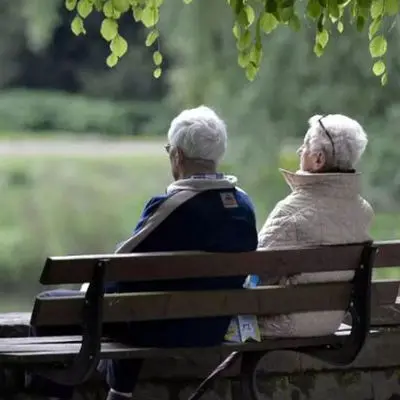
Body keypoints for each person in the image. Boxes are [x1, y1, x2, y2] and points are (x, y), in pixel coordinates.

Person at [32, 105, 258, 400]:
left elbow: (119, 266)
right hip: (212, 327)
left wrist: (89, 291)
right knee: (138, 300)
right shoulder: (244, 206)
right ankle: (119, 393)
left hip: (162, 327)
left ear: (177, 155)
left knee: (55, 305)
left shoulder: (172, 206)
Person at [257, 114, 373, 338]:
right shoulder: (364, 212)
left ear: (318, 159)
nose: (300, 151)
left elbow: (256, 272)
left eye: (305, 145)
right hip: (330, 322)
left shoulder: (291, 212)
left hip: (281, 322)